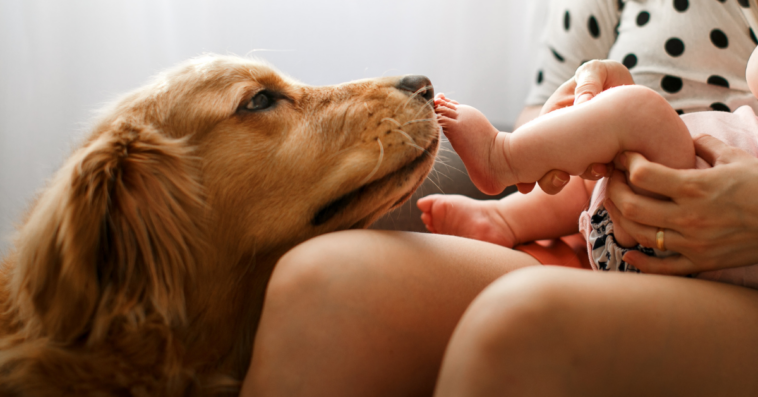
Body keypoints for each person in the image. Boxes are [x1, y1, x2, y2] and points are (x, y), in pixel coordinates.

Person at [419, 58, 758, 286]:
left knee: (640, 114)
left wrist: (617, 114)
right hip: (647, 220)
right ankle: (503, 218)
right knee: (595, 171)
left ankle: (502, 157)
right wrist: (586, 121)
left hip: (681, 247)